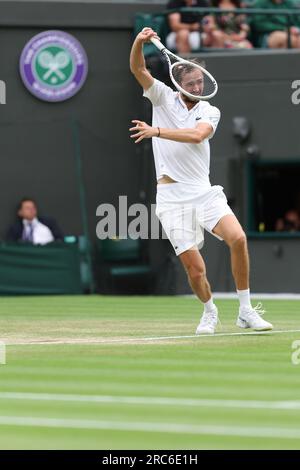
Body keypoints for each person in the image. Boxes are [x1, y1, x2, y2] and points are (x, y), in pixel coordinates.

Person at [129, 27, 273, 334]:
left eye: (200, 81)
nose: (197, 86)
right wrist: (139, 42)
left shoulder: (210, 110)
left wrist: (156, 131)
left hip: (203, 193)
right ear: (178, 84)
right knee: (195, 271)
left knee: (238, 238)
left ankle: (246, 310)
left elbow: (197, 136)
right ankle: (209, 312)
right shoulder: (162, 97)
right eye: (191, 82)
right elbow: (137, 68)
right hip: (171, 199)